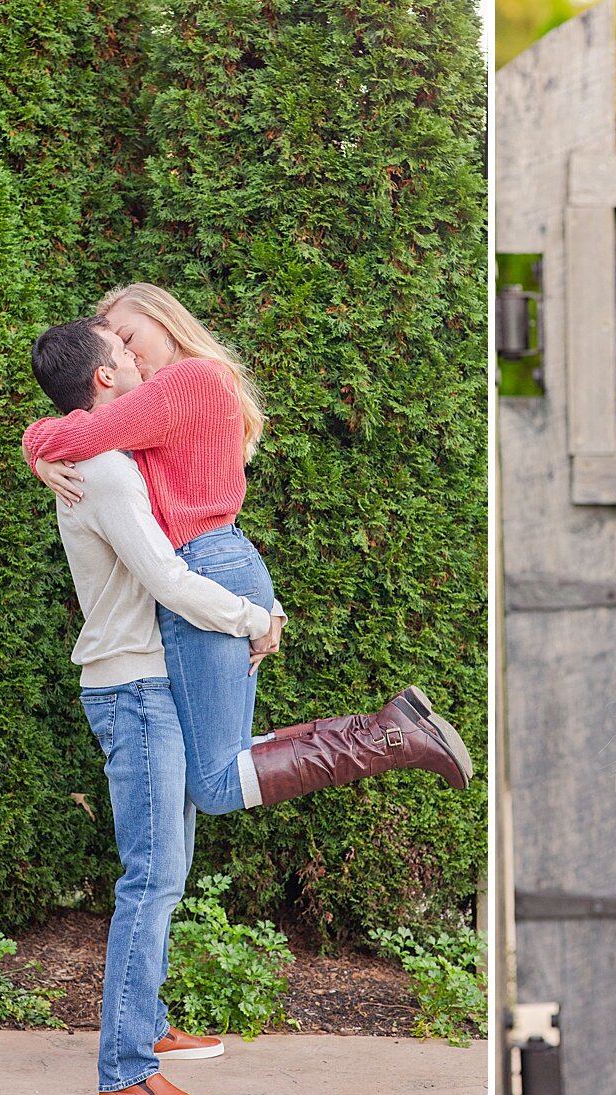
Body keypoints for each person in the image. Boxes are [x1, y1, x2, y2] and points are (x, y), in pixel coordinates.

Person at [28, 317, 469, 1095]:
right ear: (102, 380)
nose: (135, 361)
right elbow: (165, 576)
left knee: (185, 835)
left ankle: (149, 1033)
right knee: (153, 878)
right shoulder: (104, 470)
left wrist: (41, 441)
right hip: (132, 688)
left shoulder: (109, 456)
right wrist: (249, 617)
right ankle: (125, 1072)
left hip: (150, 680)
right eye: (122, 351)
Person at [23, 283, 471, 822]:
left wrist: (36, 448)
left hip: (204, 565)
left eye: (128, 336)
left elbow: (87, 430)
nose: (128, 353)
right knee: (226, 763)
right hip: (220, 561)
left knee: (212, 784)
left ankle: (389, 737)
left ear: (164, 322)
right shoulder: (193, 385)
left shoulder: (183, 381)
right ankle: (388, 727)